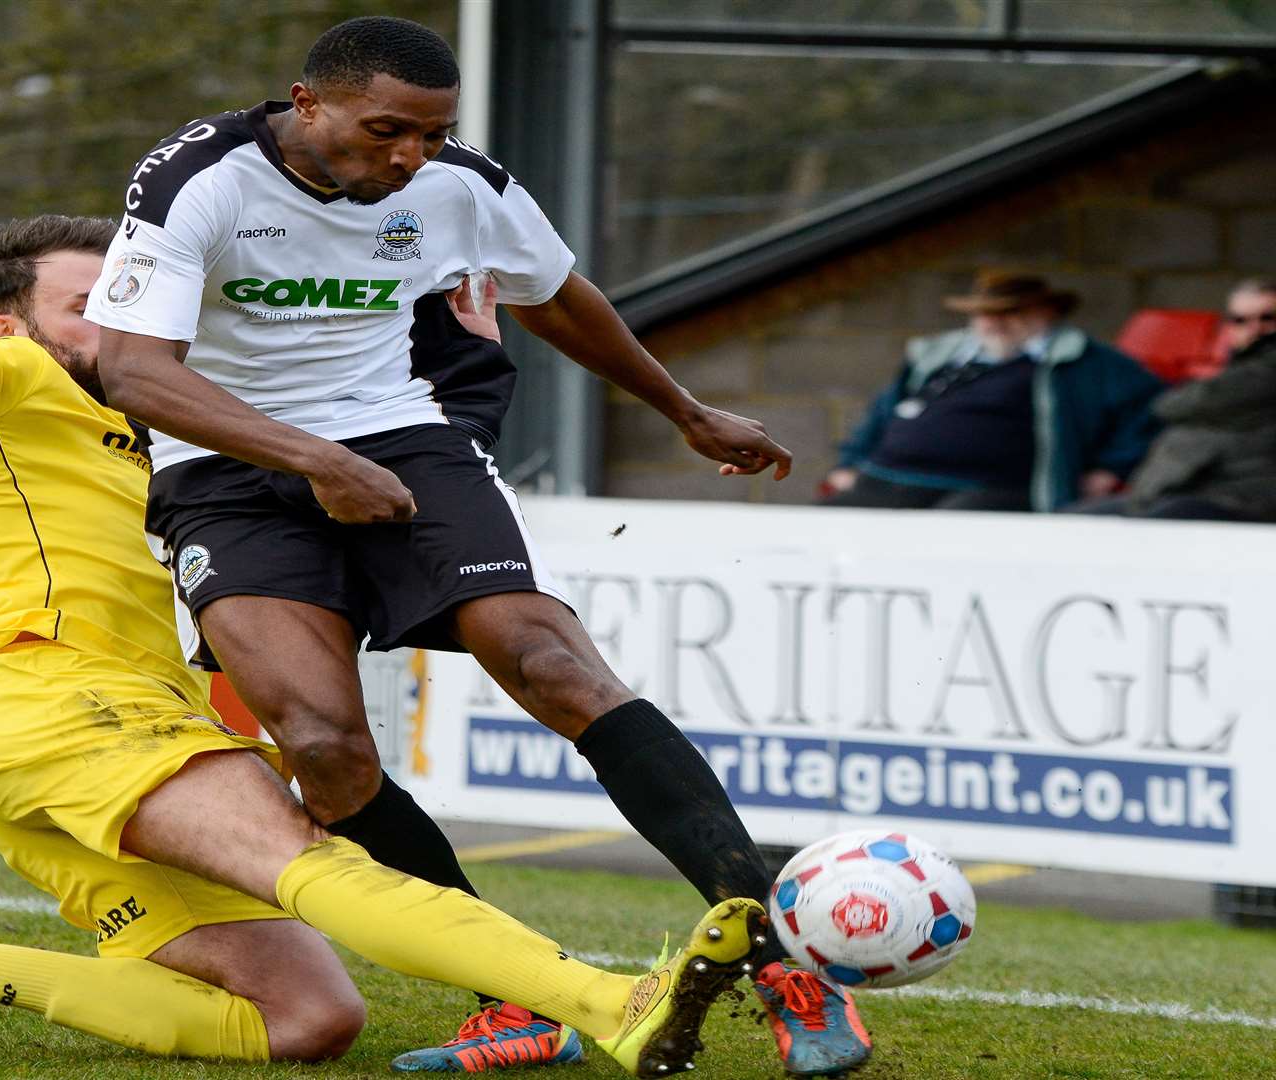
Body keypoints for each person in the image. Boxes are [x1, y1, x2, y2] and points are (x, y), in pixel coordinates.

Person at [0, 103, 770, 1076]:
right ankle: (608, 1002)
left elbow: (355, 474)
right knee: (312, 860)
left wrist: (458, 379)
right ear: (12, 331)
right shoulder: (7, 383)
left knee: (309, 1019)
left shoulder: (194, 434)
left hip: (34, 747)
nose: (129, 316)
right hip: (63, 706)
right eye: (89, 306)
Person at [85, 16, 865, 1077]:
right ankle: (510, 1000)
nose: (410, 156)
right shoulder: (198, 179)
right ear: (308, 104)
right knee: (321, 746)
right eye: (386, 130)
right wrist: (313, 458)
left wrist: (685, 411)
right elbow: (133, 372)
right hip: (223, 469)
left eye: (430, 133)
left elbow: (558, 297)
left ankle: (785, 961)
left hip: (402, 439)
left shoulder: (460, 185)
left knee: (548, 659)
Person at [823, 270, 1163, 512]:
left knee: (946, 545)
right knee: (820, 531)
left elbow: (1152, 409)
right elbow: (886, 410)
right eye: (983, 313)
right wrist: (850, 463)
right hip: (886, 476)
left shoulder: (1085, 360)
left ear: (1046, 312)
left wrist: (1111, 469)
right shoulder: (938, 355)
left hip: (994, 488)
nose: (992, 322)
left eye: (1009, 312)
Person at [1067, 278, 1276, 522]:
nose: (1255, 328)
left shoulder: (1266, 368)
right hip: (1188, 489)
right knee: (1068, 522)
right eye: (1240, 320)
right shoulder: (1236, 368)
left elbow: (1175, 404)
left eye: (1268, 318)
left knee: (1150, 525)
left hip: (1242, 496)